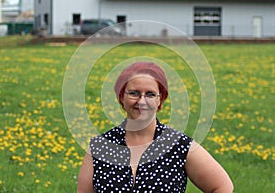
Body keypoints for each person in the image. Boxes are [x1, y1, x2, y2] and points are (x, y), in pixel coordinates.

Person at [77, 61, 234, 192]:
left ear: (160, 99)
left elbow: (222, 186)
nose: (142, 101)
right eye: (134, 93)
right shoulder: (99, 147)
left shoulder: (179, 145)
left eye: (150, 94)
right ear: (121, 97)